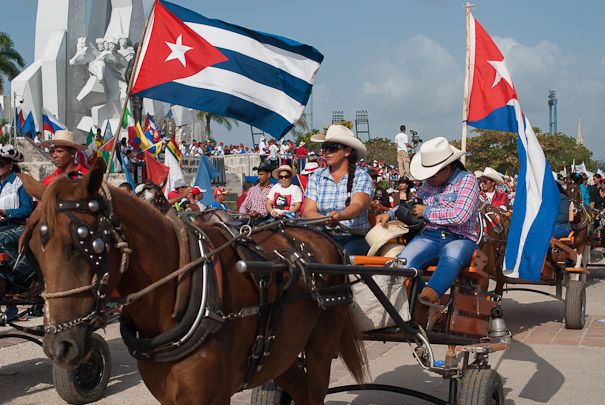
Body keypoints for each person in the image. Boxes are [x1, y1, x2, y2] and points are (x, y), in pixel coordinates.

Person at [375, 137, 480, 325]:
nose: (428, 179)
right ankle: (427, 301)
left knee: (452, 254)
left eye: (431, 175)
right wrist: (391, 214)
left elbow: (460, 215)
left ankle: (427, 300)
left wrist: (428, 212)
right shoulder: (429, 184)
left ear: (447, 168)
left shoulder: (467, 180)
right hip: (429, 236)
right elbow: (413, 203)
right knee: (403, 263)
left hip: (460, 238)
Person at [304, 125, 373, 255]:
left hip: (354, 236)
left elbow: (357, 206)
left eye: (333, 148)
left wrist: (340, 216)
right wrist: (326, 219)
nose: (327, 152)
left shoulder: (362, 176)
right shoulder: (316, 176)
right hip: (322, 236)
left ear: (347, 151)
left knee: (343, 257)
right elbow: (308, 211)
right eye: (324, 148)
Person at [0, 144, 35, 301]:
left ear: (10, 165)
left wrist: (6, 213)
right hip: (3, 226)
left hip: (19, 226)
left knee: (2, 240)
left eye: (1, 164)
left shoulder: (21, 182)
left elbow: (27, 209)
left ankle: (18, 275)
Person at [552, 173, 571, 239]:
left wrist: (548, 220)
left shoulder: (562, 198)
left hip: (561, 226)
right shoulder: (541, 198)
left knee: (545, 232)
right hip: (545, 226)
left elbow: (564, 217)